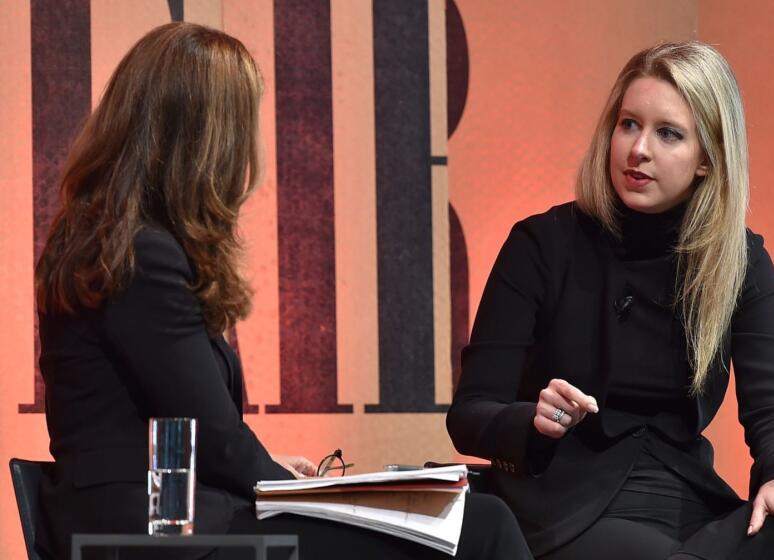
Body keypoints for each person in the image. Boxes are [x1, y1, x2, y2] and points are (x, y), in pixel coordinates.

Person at [33, 22, 532, 560]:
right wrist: (282, 489)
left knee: (466, 520)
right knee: (477, 525)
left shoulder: (106, 239)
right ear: (204, 140)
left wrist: (270, 478)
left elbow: (175, 427)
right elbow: (211, 430)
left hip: (158, 516)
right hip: (156, 533)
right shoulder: (142, 256)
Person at [447, 41, 774, 560]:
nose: (638, 150)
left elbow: (773, 405)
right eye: (629, 124)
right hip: (570, 508)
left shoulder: (740, 260)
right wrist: (534, 421)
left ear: (707, 159)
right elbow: (470, 415)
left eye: (668, 134)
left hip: (689, 503)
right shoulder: (541, 244)